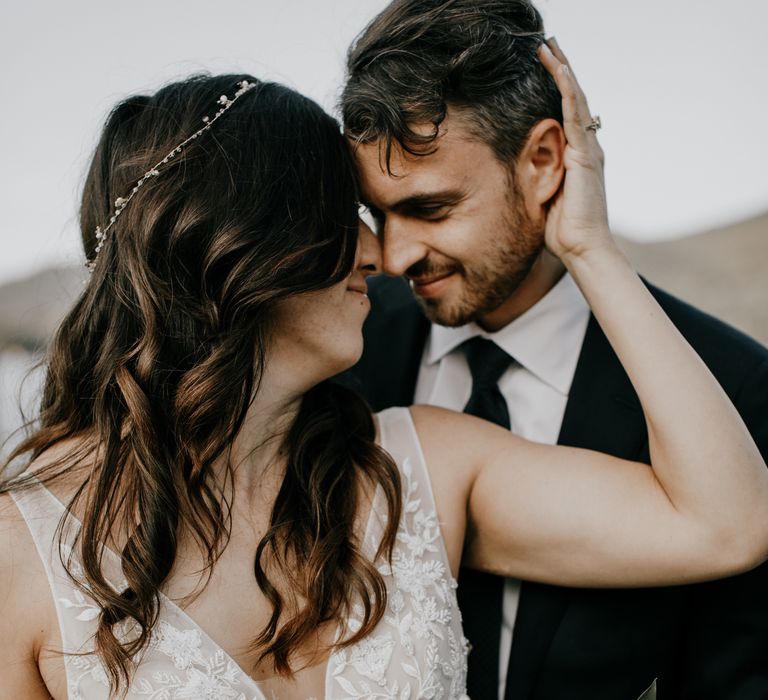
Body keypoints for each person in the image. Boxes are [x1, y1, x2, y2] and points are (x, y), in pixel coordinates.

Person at [0, 56, 766, 700]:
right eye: (345, 218)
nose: (380, 256)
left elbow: (726, 524)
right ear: (248, 248)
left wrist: (591, 250)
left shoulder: (422, 464)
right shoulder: (18, 552)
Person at [340, 1, 768, 699]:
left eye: (430, 209)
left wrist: (592, 250)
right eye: (377, 214)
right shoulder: (343, 352)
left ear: (542, 160)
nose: (394, 254)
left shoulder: (730, 392)